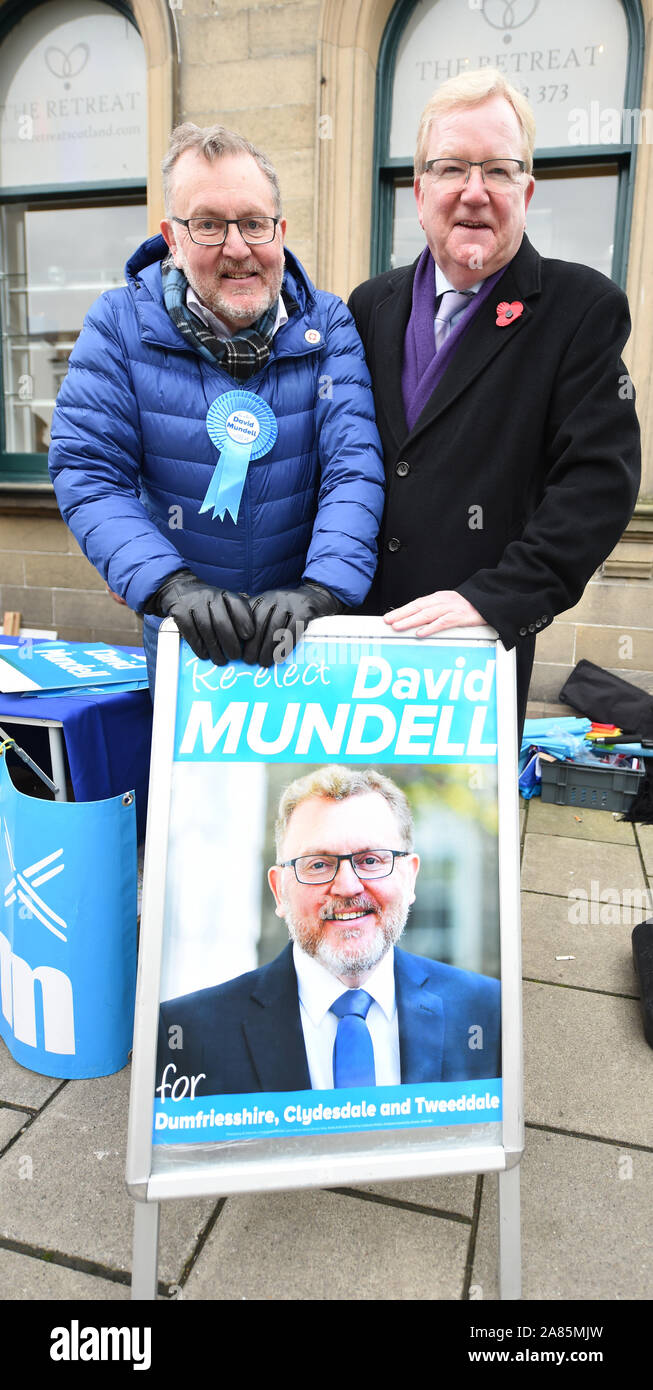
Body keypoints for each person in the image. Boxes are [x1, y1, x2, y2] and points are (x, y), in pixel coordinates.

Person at [348, 70, 641, 729]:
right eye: (451, 167)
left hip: (470, 652)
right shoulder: (369, 305)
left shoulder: (579, 310)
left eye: (498, 171)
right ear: (419, 191)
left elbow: (597, 482)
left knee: (445, 829)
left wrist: (496, 599)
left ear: (526, 191)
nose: (474, 192)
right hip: (352, 639)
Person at [48, 125, 385, 683]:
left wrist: (325, 589)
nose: (237, 248)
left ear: (280, 230)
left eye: (254, 223)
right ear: (173, 239)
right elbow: (88, 471)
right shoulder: (117, 326)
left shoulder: (329, 324)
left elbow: (353, 468)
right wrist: (166, 584)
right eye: (207, 225)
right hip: (186, 654)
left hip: (308, 649)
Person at [156, 766, 500, 1096]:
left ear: (409, 877)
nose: (348, 886)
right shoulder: (187, 1033)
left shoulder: (489, 1012)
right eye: (318, 865)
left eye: (371, 860)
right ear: (279, 891)